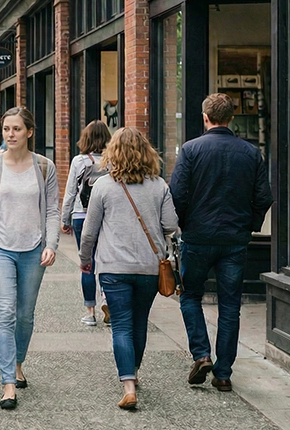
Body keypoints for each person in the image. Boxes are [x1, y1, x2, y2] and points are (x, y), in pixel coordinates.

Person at [170, 93, 273, 392]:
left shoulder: (191, 150)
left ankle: (201, 353)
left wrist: (183, 223)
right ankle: (224, 372)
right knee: (230, 306)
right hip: (235, 239)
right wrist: (249, 227)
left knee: (190, 296)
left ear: (205, 117)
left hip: (198, 237)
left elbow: (177, 194)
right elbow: (264, 197)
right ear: (231, 117)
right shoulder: (251, 153)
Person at [78, 127, 178, 410]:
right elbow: (171, 224)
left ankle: (129, 385)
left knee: (121, 325)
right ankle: (133, 368)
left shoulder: (103, 187)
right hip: (149, 267)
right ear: (147, 152)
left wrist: (86, 259)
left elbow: (89, 232)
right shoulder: (159, 185)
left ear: (112, 153)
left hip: (113, 267)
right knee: (139, 322)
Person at [0, 106, 59, 410]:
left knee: (25, 314)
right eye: (7, 129)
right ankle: (8, 382)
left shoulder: (44, 167)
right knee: (5, 313)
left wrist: (52, 244)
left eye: (17, 129)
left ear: (30, 132)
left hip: (34, 249)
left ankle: (18, 362)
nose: (11, 134)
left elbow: (52, 210)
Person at [61, 120, 111, 327]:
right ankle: (108, 300)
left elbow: (71, 192)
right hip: (106, 217)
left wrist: (65, 218)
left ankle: (90, 312)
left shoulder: (79, 161)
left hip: (82, 216)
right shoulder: (113, 161)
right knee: (107, 261)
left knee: (87, 264)